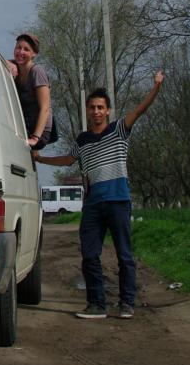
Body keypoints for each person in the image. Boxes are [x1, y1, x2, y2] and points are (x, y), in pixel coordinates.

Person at [36, 70, 164, 320]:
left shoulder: (119, 131)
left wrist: (156, 88)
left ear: (107, 111)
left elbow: (139, 111)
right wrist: (40, 158)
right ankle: (97, 304)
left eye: (100, 107)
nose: (96, 111)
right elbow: (68, 159)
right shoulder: (82, 140)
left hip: (118, 202)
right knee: (89, 255)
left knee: (124, 255)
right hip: (93, 205)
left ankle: (127, 303)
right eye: (92, 107)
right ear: (88, 111)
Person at [9, 33, 54, 152]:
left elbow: (45, 108)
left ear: (34, 54)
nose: (21, 52)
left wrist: (35, 138)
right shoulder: (15, 68)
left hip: (39, 131)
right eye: (18, 47)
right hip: (25, 125)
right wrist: (8, 63)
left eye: (26, 49)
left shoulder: (37, 72)